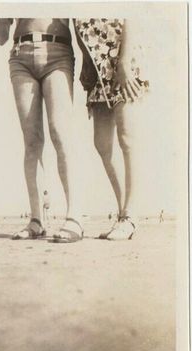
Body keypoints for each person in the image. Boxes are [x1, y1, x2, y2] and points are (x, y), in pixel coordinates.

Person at [0, 18, 83, 242]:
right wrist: (1, 18)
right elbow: (0, 37)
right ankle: (37, 220)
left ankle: (74, 217)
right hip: (20, 54)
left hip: (59, 51)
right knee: (32, 141)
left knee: (60, 133)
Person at [74, 18, 149, 240]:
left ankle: (131, 216)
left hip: (121, 63)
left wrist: (124, 62)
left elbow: (131, 15)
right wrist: (87, 66)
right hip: (98, 72)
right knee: (102, 144)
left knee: (127, 138)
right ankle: (123, 214)